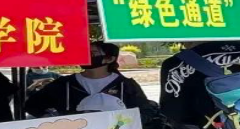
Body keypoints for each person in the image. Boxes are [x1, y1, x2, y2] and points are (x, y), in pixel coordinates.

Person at [24, 42, 154, 117]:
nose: (87, 57)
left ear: (109, 59)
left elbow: (145, 113)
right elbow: (32, 105)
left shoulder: (126, 85)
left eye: (92, 53)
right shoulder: (64, 84)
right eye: (84, 53)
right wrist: (52, 117)